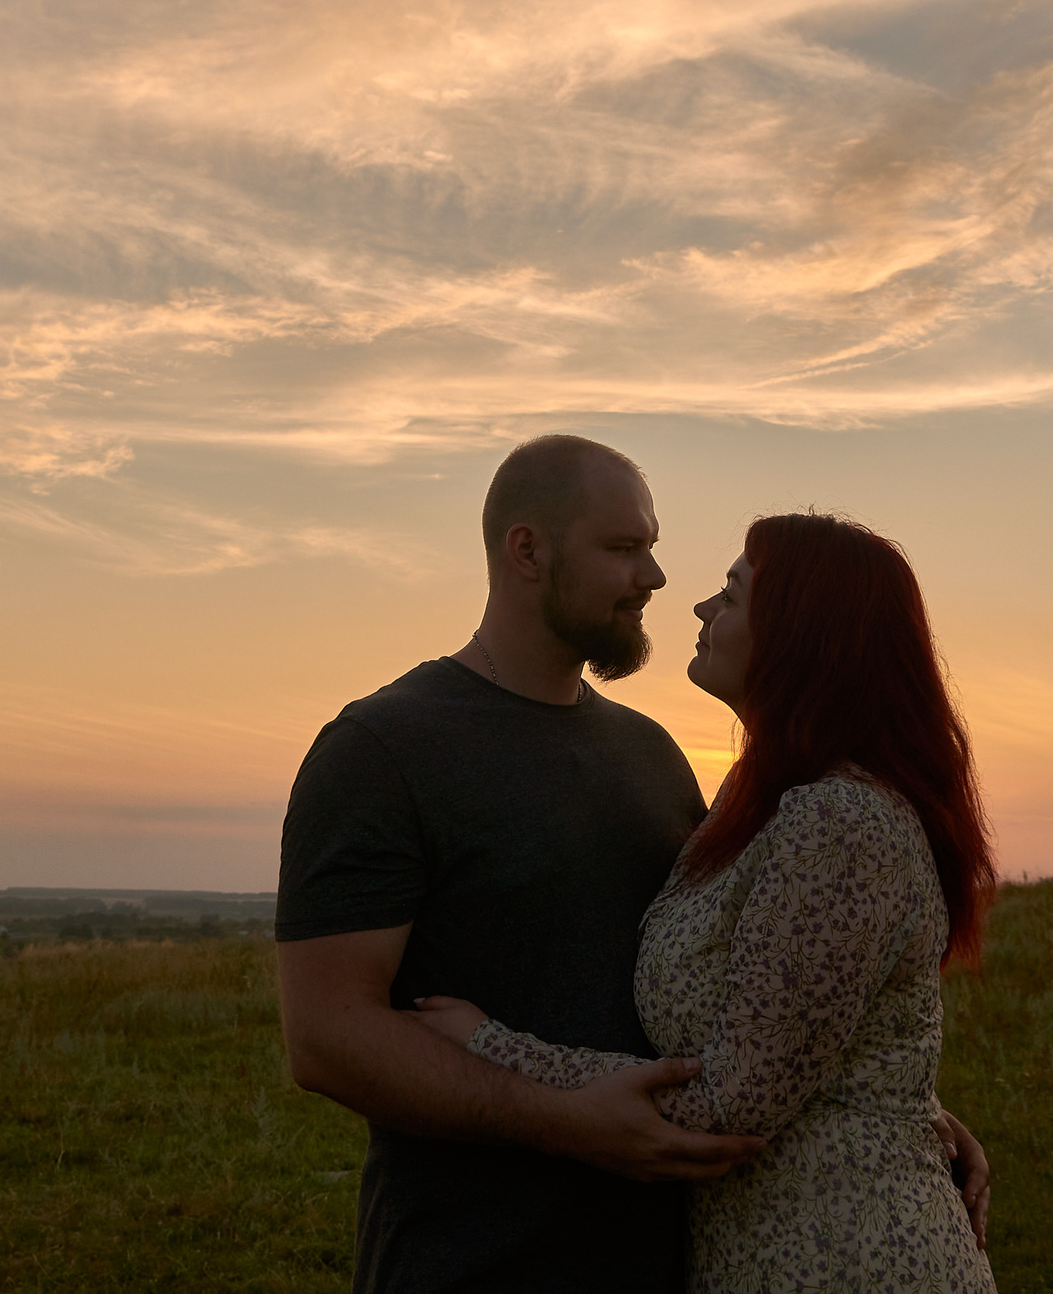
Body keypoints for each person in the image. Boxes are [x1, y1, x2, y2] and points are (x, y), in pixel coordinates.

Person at [276, 440, 990, 1293]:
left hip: (668, 1257)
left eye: (653, 547)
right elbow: (325, 1037)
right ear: (527, 550)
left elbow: (762, 996)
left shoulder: (652, 756)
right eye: (625, 549)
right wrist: (564, 1122)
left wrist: (888, 1100)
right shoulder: (383, 749)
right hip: (476, 1262)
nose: (656, 578)